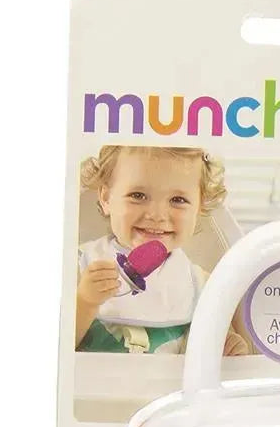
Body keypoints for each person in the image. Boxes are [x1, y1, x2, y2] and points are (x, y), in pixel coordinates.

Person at [76, 145, 248, 355]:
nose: (157, 215)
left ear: (199, 207)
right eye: (138, 195)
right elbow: (57, 349)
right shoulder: (79, 265)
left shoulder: (202, 284)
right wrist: (85, 302)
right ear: (106, 198)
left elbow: (209, 350)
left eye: (178, 200)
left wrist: (227, 347)